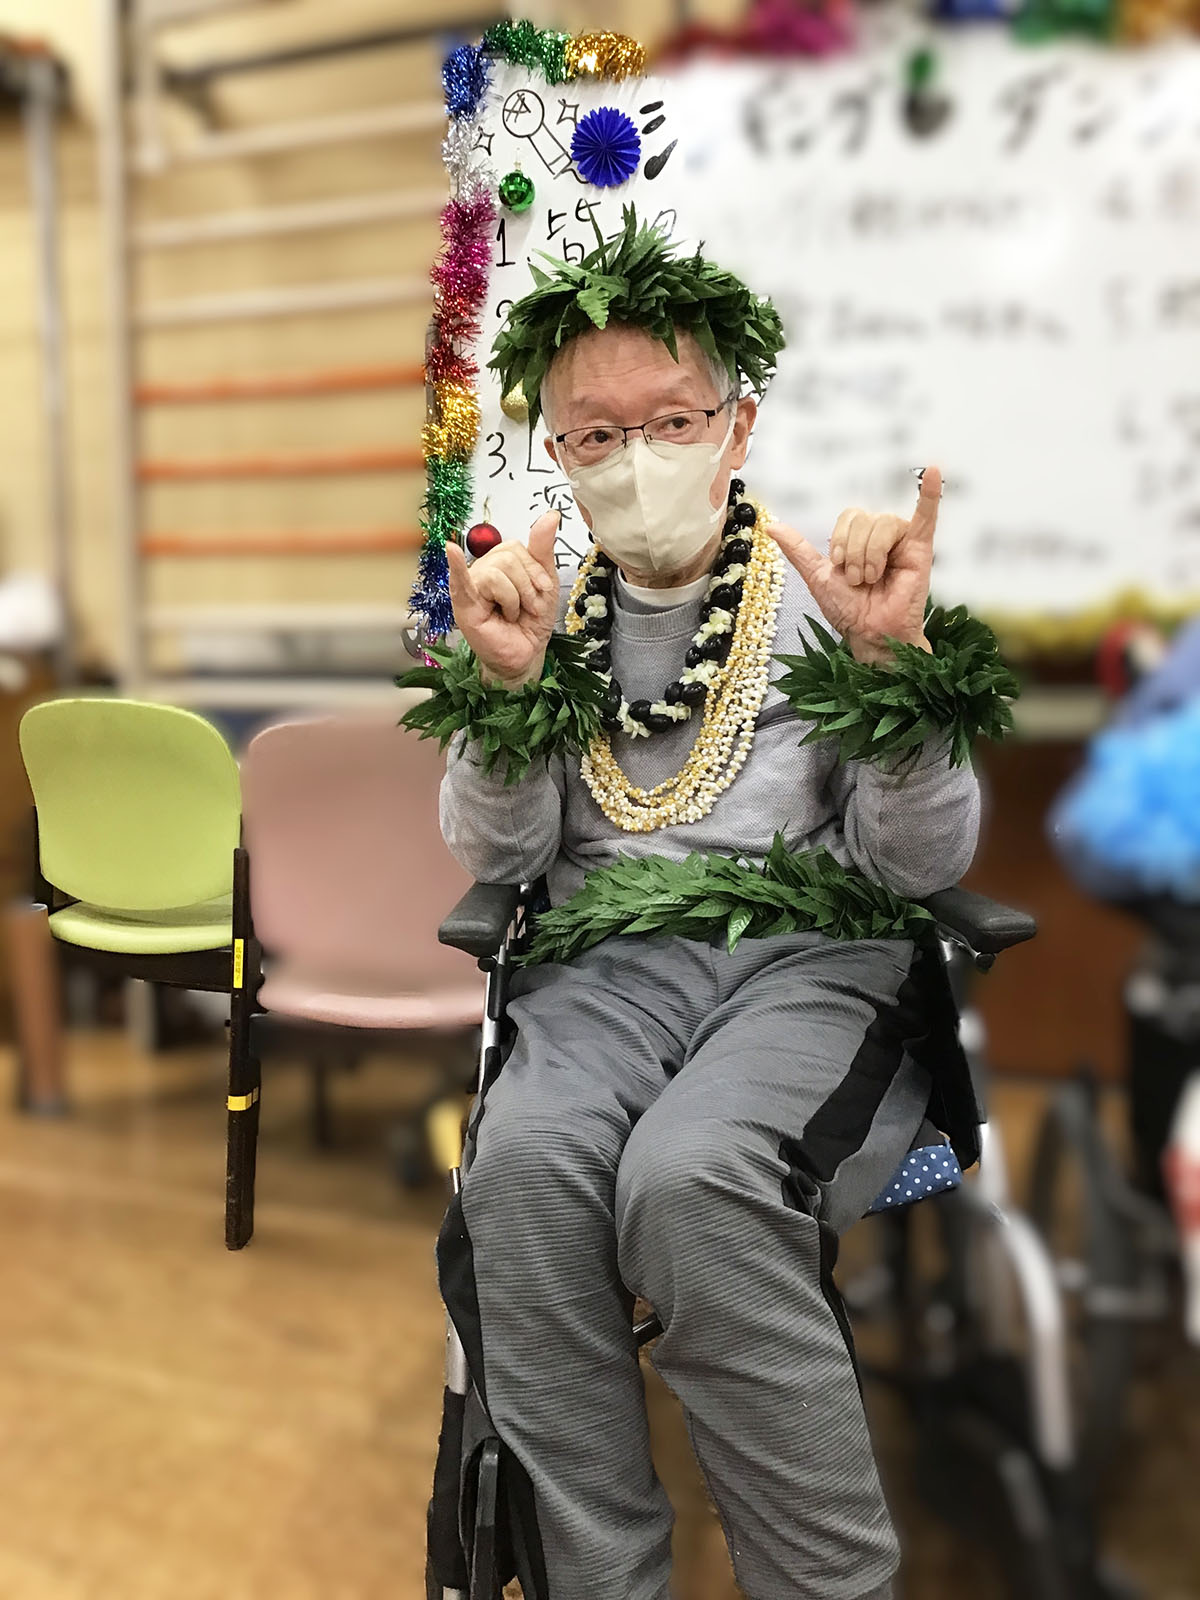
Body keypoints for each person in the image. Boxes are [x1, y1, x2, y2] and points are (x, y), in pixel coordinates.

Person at [412, 208, 1007, 1600]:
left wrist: (894, 674)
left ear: (738, 426)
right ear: (559, 455)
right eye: (595, 435)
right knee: (524, 1174)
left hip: (807, 971)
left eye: (670, 421)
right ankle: (601, 1578)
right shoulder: (540, 612)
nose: (636, 461)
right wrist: (505, 690)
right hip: (601, 976)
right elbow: (498, 851)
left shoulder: (830, 594)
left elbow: (916, 866)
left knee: (691, 1182)